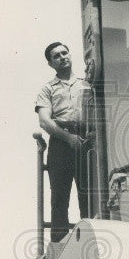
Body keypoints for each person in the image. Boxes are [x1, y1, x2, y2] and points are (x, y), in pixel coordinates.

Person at [35, 41, 90, 242]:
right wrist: (68, 138)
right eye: (56, 56)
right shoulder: (47, 89)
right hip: (60, 143)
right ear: (51, 64)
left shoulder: (87, 84)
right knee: (59, 197)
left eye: (65, 52)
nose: (62, 57)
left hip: (86, 142)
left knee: (88, 196)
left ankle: (88, 242)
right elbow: (44, 121)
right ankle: (58, 247)